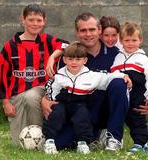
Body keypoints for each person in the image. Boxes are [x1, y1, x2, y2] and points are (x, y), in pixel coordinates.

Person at [42, 12, 132, 151]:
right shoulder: (71, 56)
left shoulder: (116, 54)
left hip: (105, 108)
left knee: (119, 83)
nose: (88, 34)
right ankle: (97, 134)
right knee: (60, 144)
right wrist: (45, 99)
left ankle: (114, 136)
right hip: (80, 111)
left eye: (92, 29)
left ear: (99, 30)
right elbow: (58, 83)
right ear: (77, 33)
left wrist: (124, 77)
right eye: (83, 30)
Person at [0, 3, 67, 146]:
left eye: (39, 20)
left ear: (44, 21)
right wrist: (6, 102)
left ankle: (41, 138)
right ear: (23, 20)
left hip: (40, 89)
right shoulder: (10, 46)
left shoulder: (47, 40)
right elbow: (1, 74)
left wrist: (52, 57)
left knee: (31, 96)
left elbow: (66, 45)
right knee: (17, 143)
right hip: (17, 95)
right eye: (31, 19)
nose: (35, 23)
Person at [110, 22, 148, 153]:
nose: (130, 43)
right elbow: (112, 73)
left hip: (138, 96)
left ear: (140, 40)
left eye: (134, 40)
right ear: (121, 40)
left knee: (137, 120)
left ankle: (140, 144)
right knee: (127, 120)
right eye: (127, 40)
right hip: (124, 97)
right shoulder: (118, 57)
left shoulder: (143, 58)